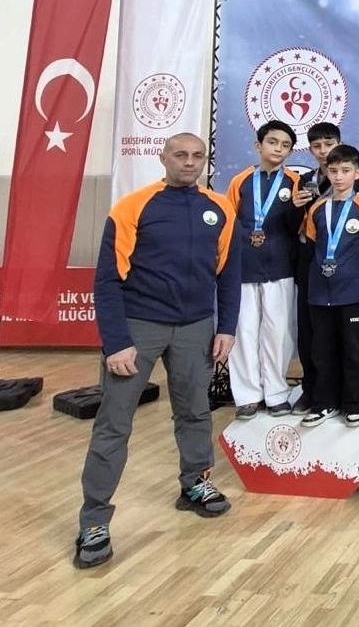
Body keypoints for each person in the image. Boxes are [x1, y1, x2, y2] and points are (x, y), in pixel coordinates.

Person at [75, 133, 240, 569]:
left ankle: (195, 484)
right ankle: (94, 521)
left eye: (197, 155)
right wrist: (116, 342)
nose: (189, 162)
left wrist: (226, 328)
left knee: (195, 412)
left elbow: (229, 273)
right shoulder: (132, 207)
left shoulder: (220, 208)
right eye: (180, 155)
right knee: (114, 424)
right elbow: (107, 281)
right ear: (162, 158)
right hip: (138, 327)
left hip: (196, 328)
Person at [225, 121, 307, 419]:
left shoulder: (296, 182)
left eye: (285, 145)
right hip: (244, 264)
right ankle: (247, 395)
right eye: (272, 142)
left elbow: (300, 225)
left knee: (277, 331)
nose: (278, 149)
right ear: (258, 145)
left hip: (280, 264)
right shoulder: (240, 181)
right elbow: (229, 222)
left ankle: (276, 392)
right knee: (244, 330)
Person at [300, 144, 359, 428]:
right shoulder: (317, 209)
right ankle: (324, 403)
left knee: (353, 350)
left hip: (353, 292)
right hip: (319, 293)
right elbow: (311, 248)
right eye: (333, 171)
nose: (338, 176)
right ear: (326, 172)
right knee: (322, 351)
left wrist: (356, 275)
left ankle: (354, 403)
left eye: (345, 171)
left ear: (357, 173)